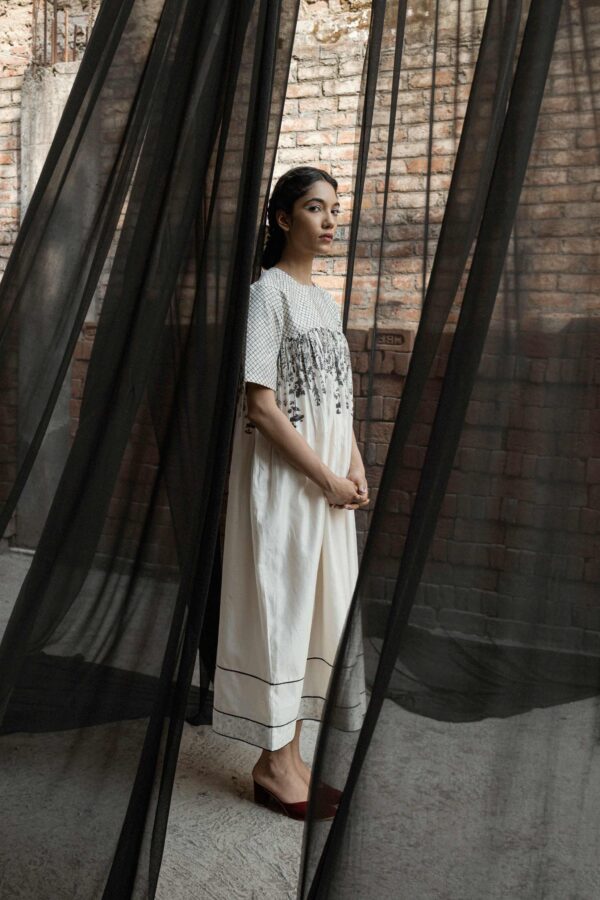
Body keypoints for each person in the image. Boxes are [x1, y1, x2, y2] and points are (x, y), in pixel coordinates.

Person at [212, 165, 368, 820]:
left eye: (334, 208)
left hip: (328, 486)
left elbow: (336, 401)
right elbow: (262, 407)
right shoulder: (266, 296)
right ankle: (274, 764)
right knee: (284, 607)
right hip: (286, 482)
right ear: (282, 218)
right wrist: (325, 477)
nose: (330, 221)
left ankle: (293, 757)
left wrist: (354, 465)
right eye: (314, 208)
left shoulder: (324, 304)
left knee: (316, 611)